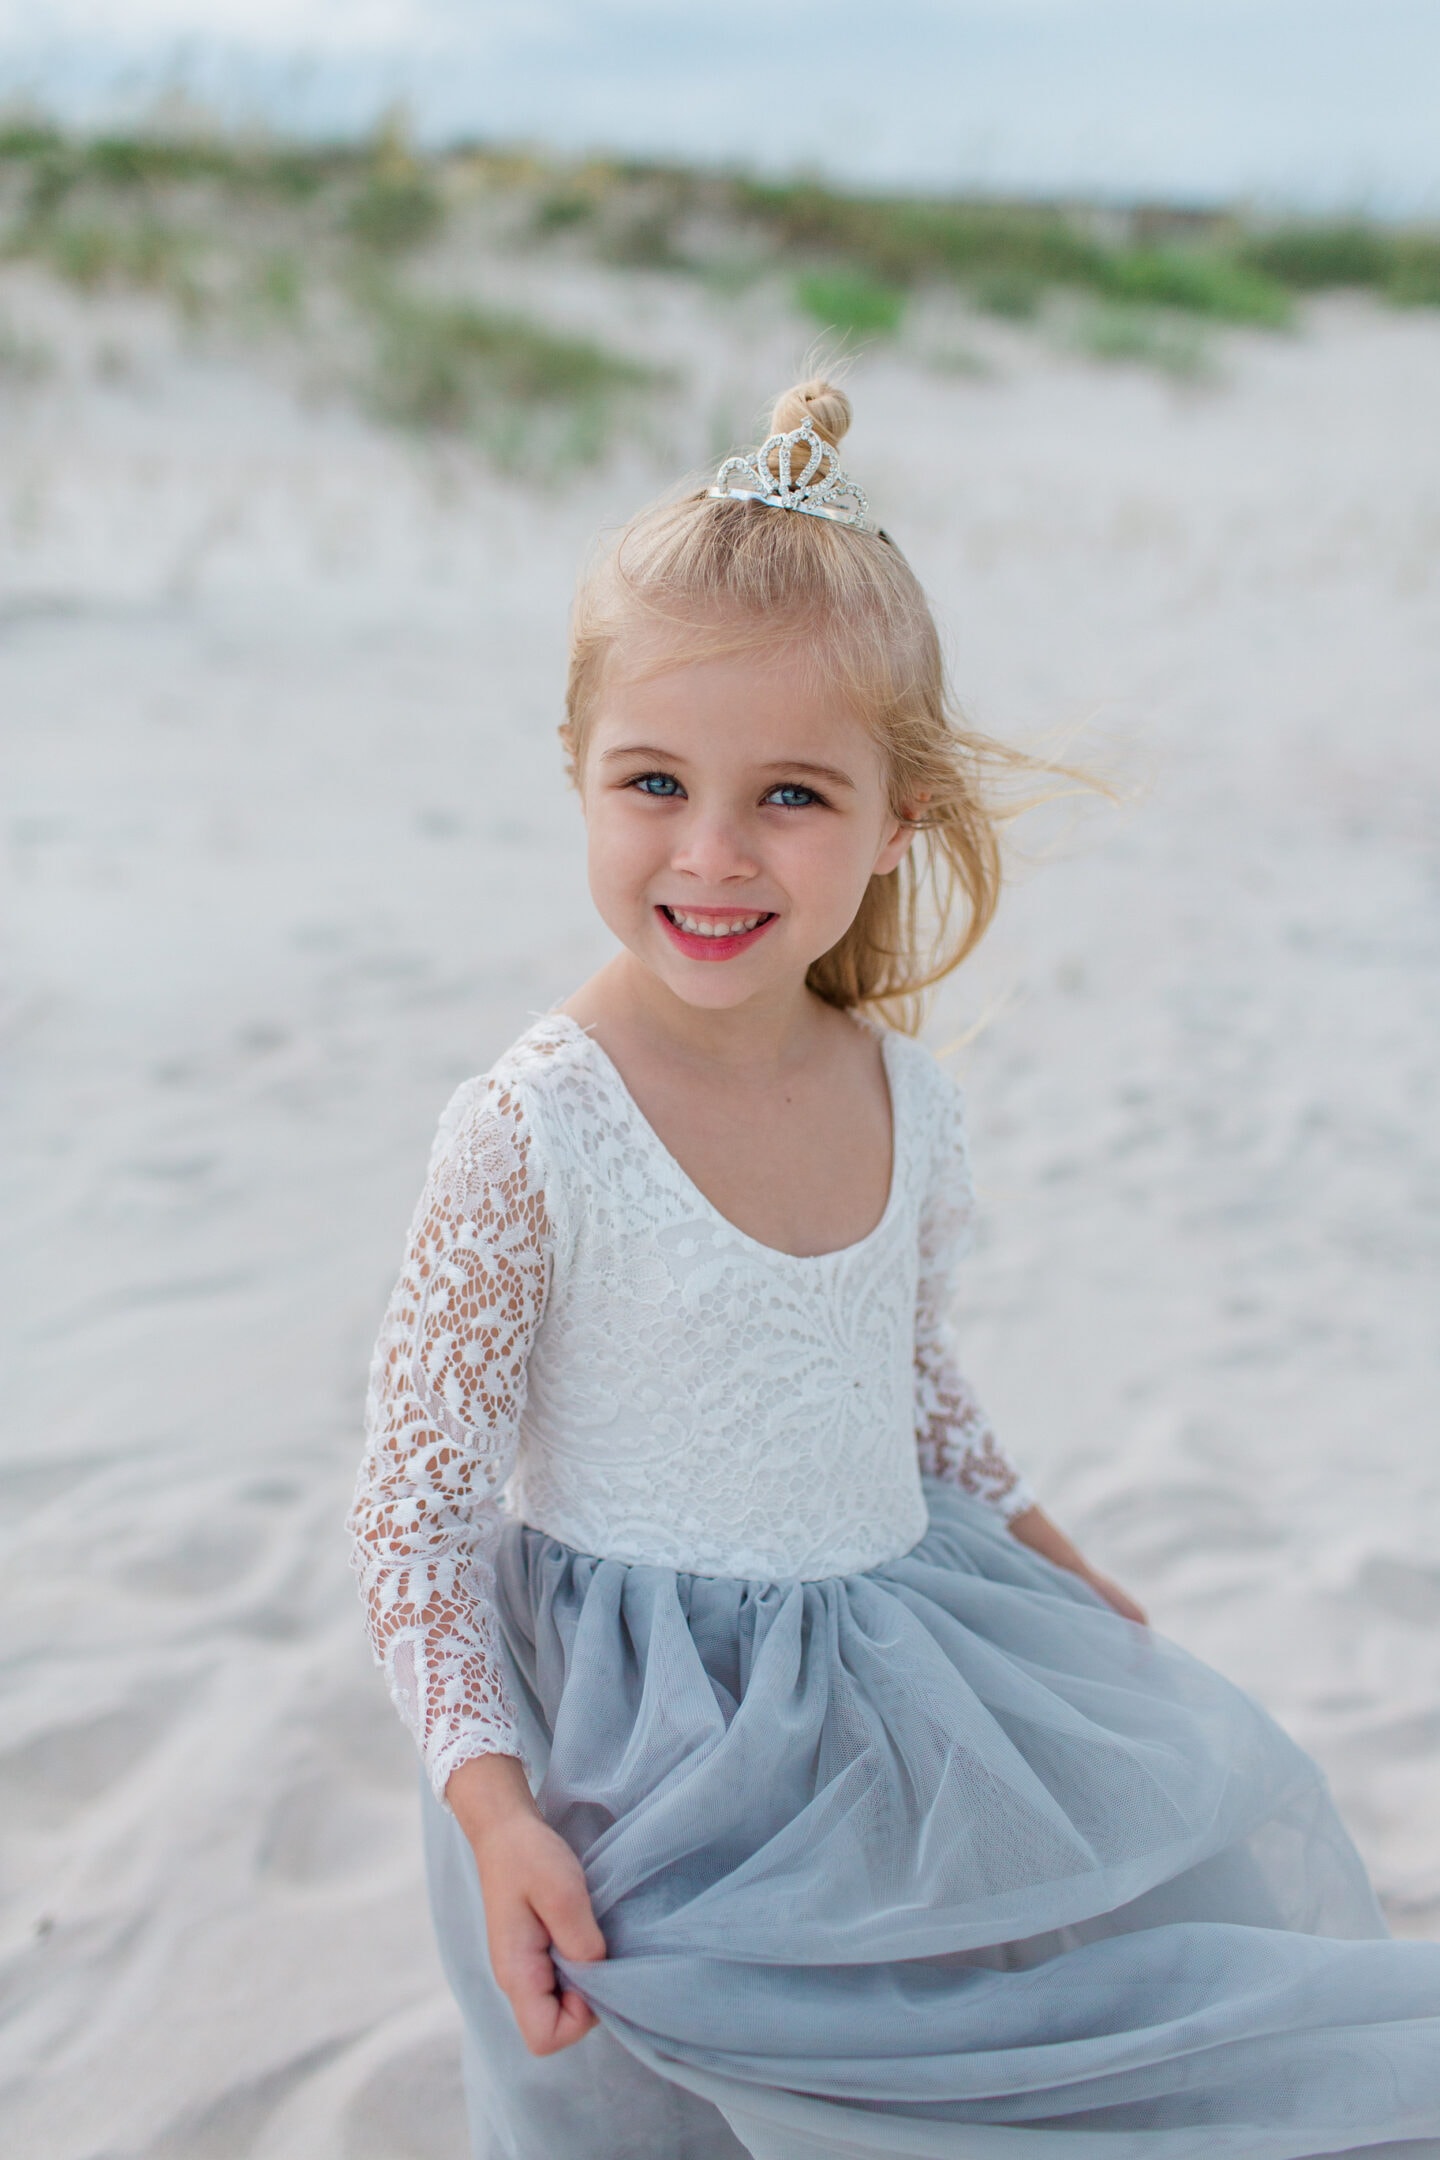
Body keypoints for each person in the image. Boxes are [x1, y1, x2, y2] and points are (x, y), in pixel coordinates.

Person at [347, 379, 1440, 2159]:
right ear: (577, 769)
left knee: (942, 2075)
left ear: (900, 815)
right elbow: (413, 1511)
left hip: (877, 1690)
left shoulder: (902, 1101)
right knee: (639, 2118)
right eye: (655, 783)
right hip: (636, 1757)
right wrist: (492, 1808)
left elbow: (909, 1379)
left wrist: (1048, 1549)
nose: (711, 851)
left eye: (791, 795)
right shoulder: (533, 1130)